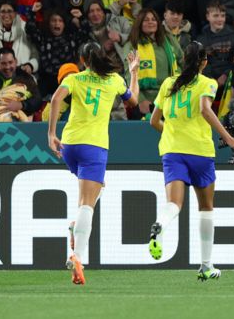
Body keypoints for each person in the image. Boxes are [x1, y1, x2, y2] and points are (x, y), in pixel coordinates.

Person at [148, 42, 234, 281]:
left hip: (172, 151)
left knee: (174, 204)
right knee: (206, 208)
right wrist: (229, 137)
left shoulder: (168, 84)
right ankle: (206, 265)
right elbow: (205, 110)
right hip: (199, 152)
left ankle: (160, 223)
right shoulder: (207, 82)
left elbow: (154, 121)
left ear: (181, 61)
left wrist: (171, 132)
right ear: (204, 62)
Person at [47, 42, 139, 285]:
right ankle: (77, 258)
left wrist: (51, 134)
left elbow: (56, 98)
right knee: (88, 204)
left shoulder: (75, 79)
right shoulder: (114, 80)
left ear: (82, 60)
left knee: (93, 192)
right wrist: (134, 72)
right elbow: (134, 101)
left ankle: (76, 227)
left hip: (69, 144)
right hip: (94, 146)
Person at [123, 8, 184, 119]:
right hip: (146, 101)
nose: (151, 22)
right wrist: (140, 100)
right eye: (146, 20)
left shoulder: (169, 40)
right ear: (139, 24)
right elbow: (129, 75)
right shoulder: (132, 45)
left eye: (153, 19)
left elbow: (183, 62)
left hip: (171, 97)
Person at [0, 47, 42, 118]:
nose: (7, 67)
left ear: (15, 62)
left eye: (10, 62)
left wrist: (21, 105)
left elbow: (38, 100)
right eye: (3, 63)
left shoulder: (25, 77)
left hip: (18, 117)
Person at [0, 0, 39, 75]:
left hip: (21, 73)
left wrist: (30, 66)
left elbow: (36, 55)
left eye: (10, 11)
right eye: (3, 11)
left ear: (15, 13)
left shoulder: (25, 28)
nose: (6, 15)